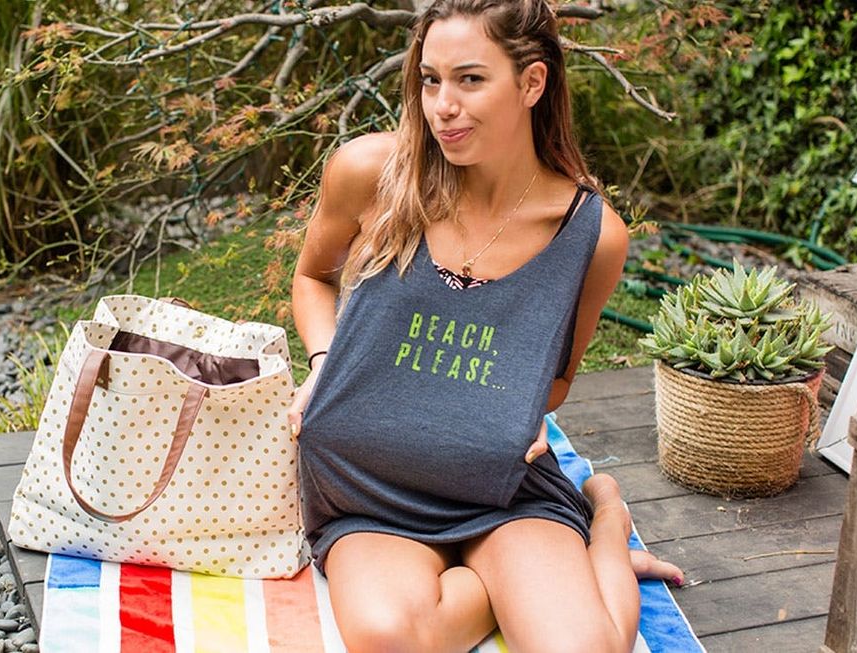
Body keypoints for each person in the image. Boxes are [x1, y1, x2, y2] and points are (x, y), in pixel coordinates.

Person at [287, 1, 682, 650]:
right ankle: (513, 585)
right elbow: (312, 278)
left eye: (470, 79)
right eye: (430, 79)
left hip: (504, 489)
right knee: (389, 639)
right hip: (370, 486)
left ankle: (606, 517)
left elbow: (555, 379)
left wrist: (518, 405)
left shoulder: (592, 236)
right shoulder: (374, 174)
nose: (442, 105)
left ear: (532, 82)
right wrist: (325, 365)